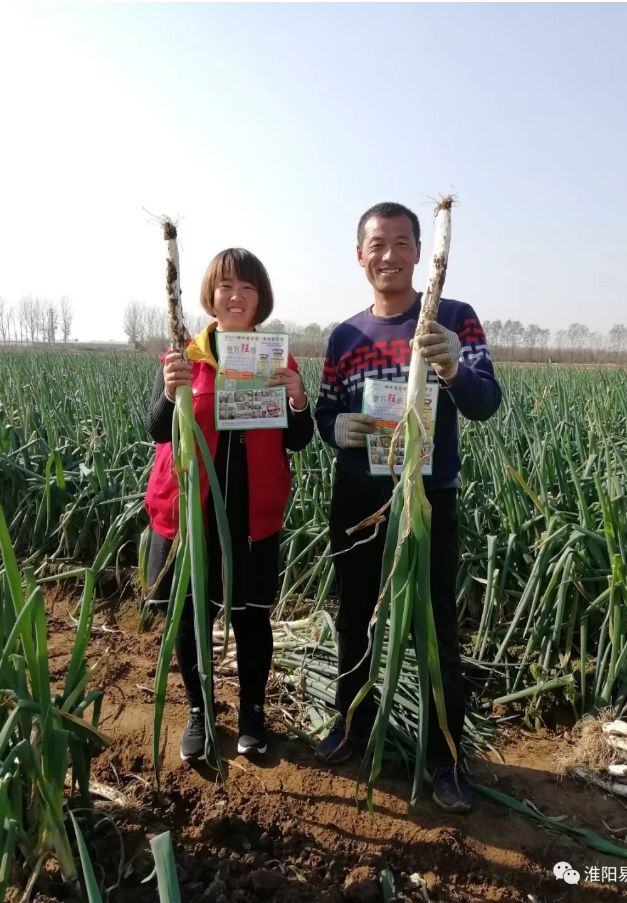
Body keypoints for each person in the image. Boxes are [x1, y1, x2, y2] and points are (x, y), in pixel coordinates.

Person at [313, 202, 501, 812]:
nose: (388, 255)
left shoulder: (453, 318)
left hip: (427, 498)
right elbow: (325, 410)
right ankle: (350, 723)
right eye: (377, 244)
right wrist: (335, 426)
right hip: (358, 498)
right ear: (359, 255)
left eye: (401, 243)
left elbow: (485, 402)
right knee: (355, 619)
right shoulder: (345, 336)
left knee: (436, 627)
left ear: (420, 252)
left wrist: (453, 366)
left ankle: (447, 755)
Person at [144, 248, 313, 764]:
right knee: (191, 616)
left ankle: (252, 715)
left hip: (251, 515)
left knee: (251, 619)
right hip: (191, 513)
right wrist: (169, 391)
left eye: (247, 287)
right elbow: (156, 430)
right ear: (211, 296)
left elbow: (298, 438)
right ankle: (200, 713)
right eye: (226, 287)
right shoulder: (186, 356)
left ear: (260, 298)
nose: (236, 296)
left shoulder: (277, 359)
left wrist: (298, 399)